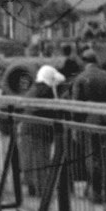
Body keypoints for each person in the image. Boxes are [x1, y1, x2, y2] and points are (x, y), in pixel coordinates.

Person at [72, 48, 106, 203]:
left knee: (92, 158)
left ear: (84, 62)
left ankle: (96, 191)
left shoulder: (81, 78)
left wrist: (75, 126)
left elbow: (77, 106)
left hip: (89, 124)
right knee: (105, 156)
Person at [18, 64, 67, 196]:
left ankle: (33, 188)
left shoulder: (34, 89)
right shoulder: (45, 90)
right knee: (41, 160)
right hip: (40, 131)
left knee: (30, 160)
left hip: (29, 129)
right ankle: (42, 190)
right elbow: (51, 110)